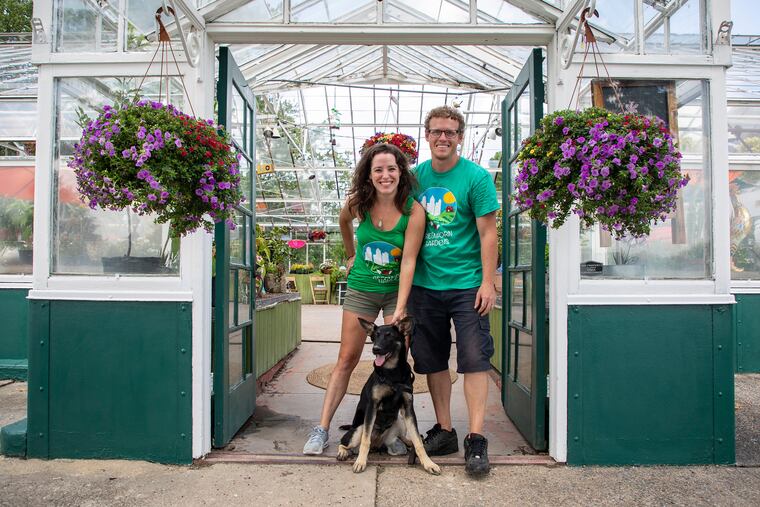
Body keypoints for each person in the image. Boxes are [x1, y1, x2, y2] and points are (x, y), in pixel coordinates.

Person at [303, 142, 426, 455]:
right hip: (362, 290)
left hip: (395, 293)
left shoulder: (414, 210)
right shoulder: (360, 202)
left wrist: (400, 308)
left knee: (396, 367)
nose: (385, 175)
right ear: (369, 176)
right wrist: (350, 254)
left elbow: (409, 260)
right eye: (378, 170)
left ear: (402, 173)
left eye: (391, 169)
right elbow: (343, 221)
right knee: (347, 359)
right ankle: (321, 429)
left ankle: (392, 432)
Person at [409, 105, 499, 476]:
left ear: (460, 136)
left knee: (475, 358)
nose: (443, 137)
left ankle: (475, 439)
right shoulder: (414, 178)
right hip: (424, 286)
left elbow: (488, 232)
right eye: (436, 131)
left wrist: (488, 281)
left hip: (467, 286)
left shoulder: (476, 178)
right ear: (427, 136)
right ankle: (445, 429)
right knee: (431, 360)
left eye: (450, 131)